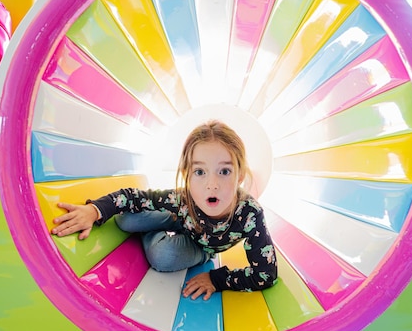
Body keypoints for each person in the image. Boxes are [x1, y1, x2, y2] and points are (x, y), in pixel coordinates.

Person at [51, 120, 277, 300]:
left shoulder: (249, 215)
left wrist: (218, 279)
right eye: (200, 172)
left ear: (240, 176)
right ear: (188, 175)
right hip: (181, 219)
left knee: (163, 256)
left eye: (224, 172)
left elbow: (266, 274)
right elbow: (133, 196)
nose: (212, 184)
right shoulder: (182, 198)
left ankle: (152, 230)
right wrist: (94, 210)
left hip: (202, 246)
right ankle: (166, 219)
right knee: (125, 220)